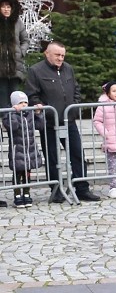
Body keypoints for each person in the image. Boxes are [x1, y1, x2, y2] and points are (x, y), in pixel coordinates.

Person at [25, 41, 100, 202]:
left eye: (63, 55)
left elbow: (76, 88)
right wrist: (42, 107)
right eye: (57, 55)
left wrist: (74, 105)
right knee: (52, 157)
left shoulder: (68, 68)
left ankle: (81, 187)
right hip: (49, 122)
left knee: (77, 154)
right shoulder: (35, 70)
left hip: (69, 120)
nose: (61, 58)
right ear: (47, 53)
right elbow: (32, 95)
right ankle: (56, 190)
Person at [3, 91, 44, 208]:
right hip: (17, 149)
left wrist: (38, 113)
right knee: (17, 173)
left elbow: (40, 126)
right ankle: (17, 195)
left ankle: (26, 194)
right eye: (21, 102)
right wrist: (13, 113)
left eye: (26, 102)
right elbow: (13, 127)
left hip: (29, 149)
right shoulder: (9, 114)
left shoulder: (29, 114)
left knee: (27, 173)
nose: (24, 105)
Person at [0, 0, 28, 109]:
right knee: (2, 94)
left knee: (15, 96)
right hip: (1, 68)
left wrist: (21, 52)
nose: (6, 9)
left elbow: (25, 40)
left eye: (8, 7)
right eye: (3, 6)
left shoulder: (18, 22)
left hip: (15, 66)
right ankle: (4, 122)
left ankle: (15, 123)